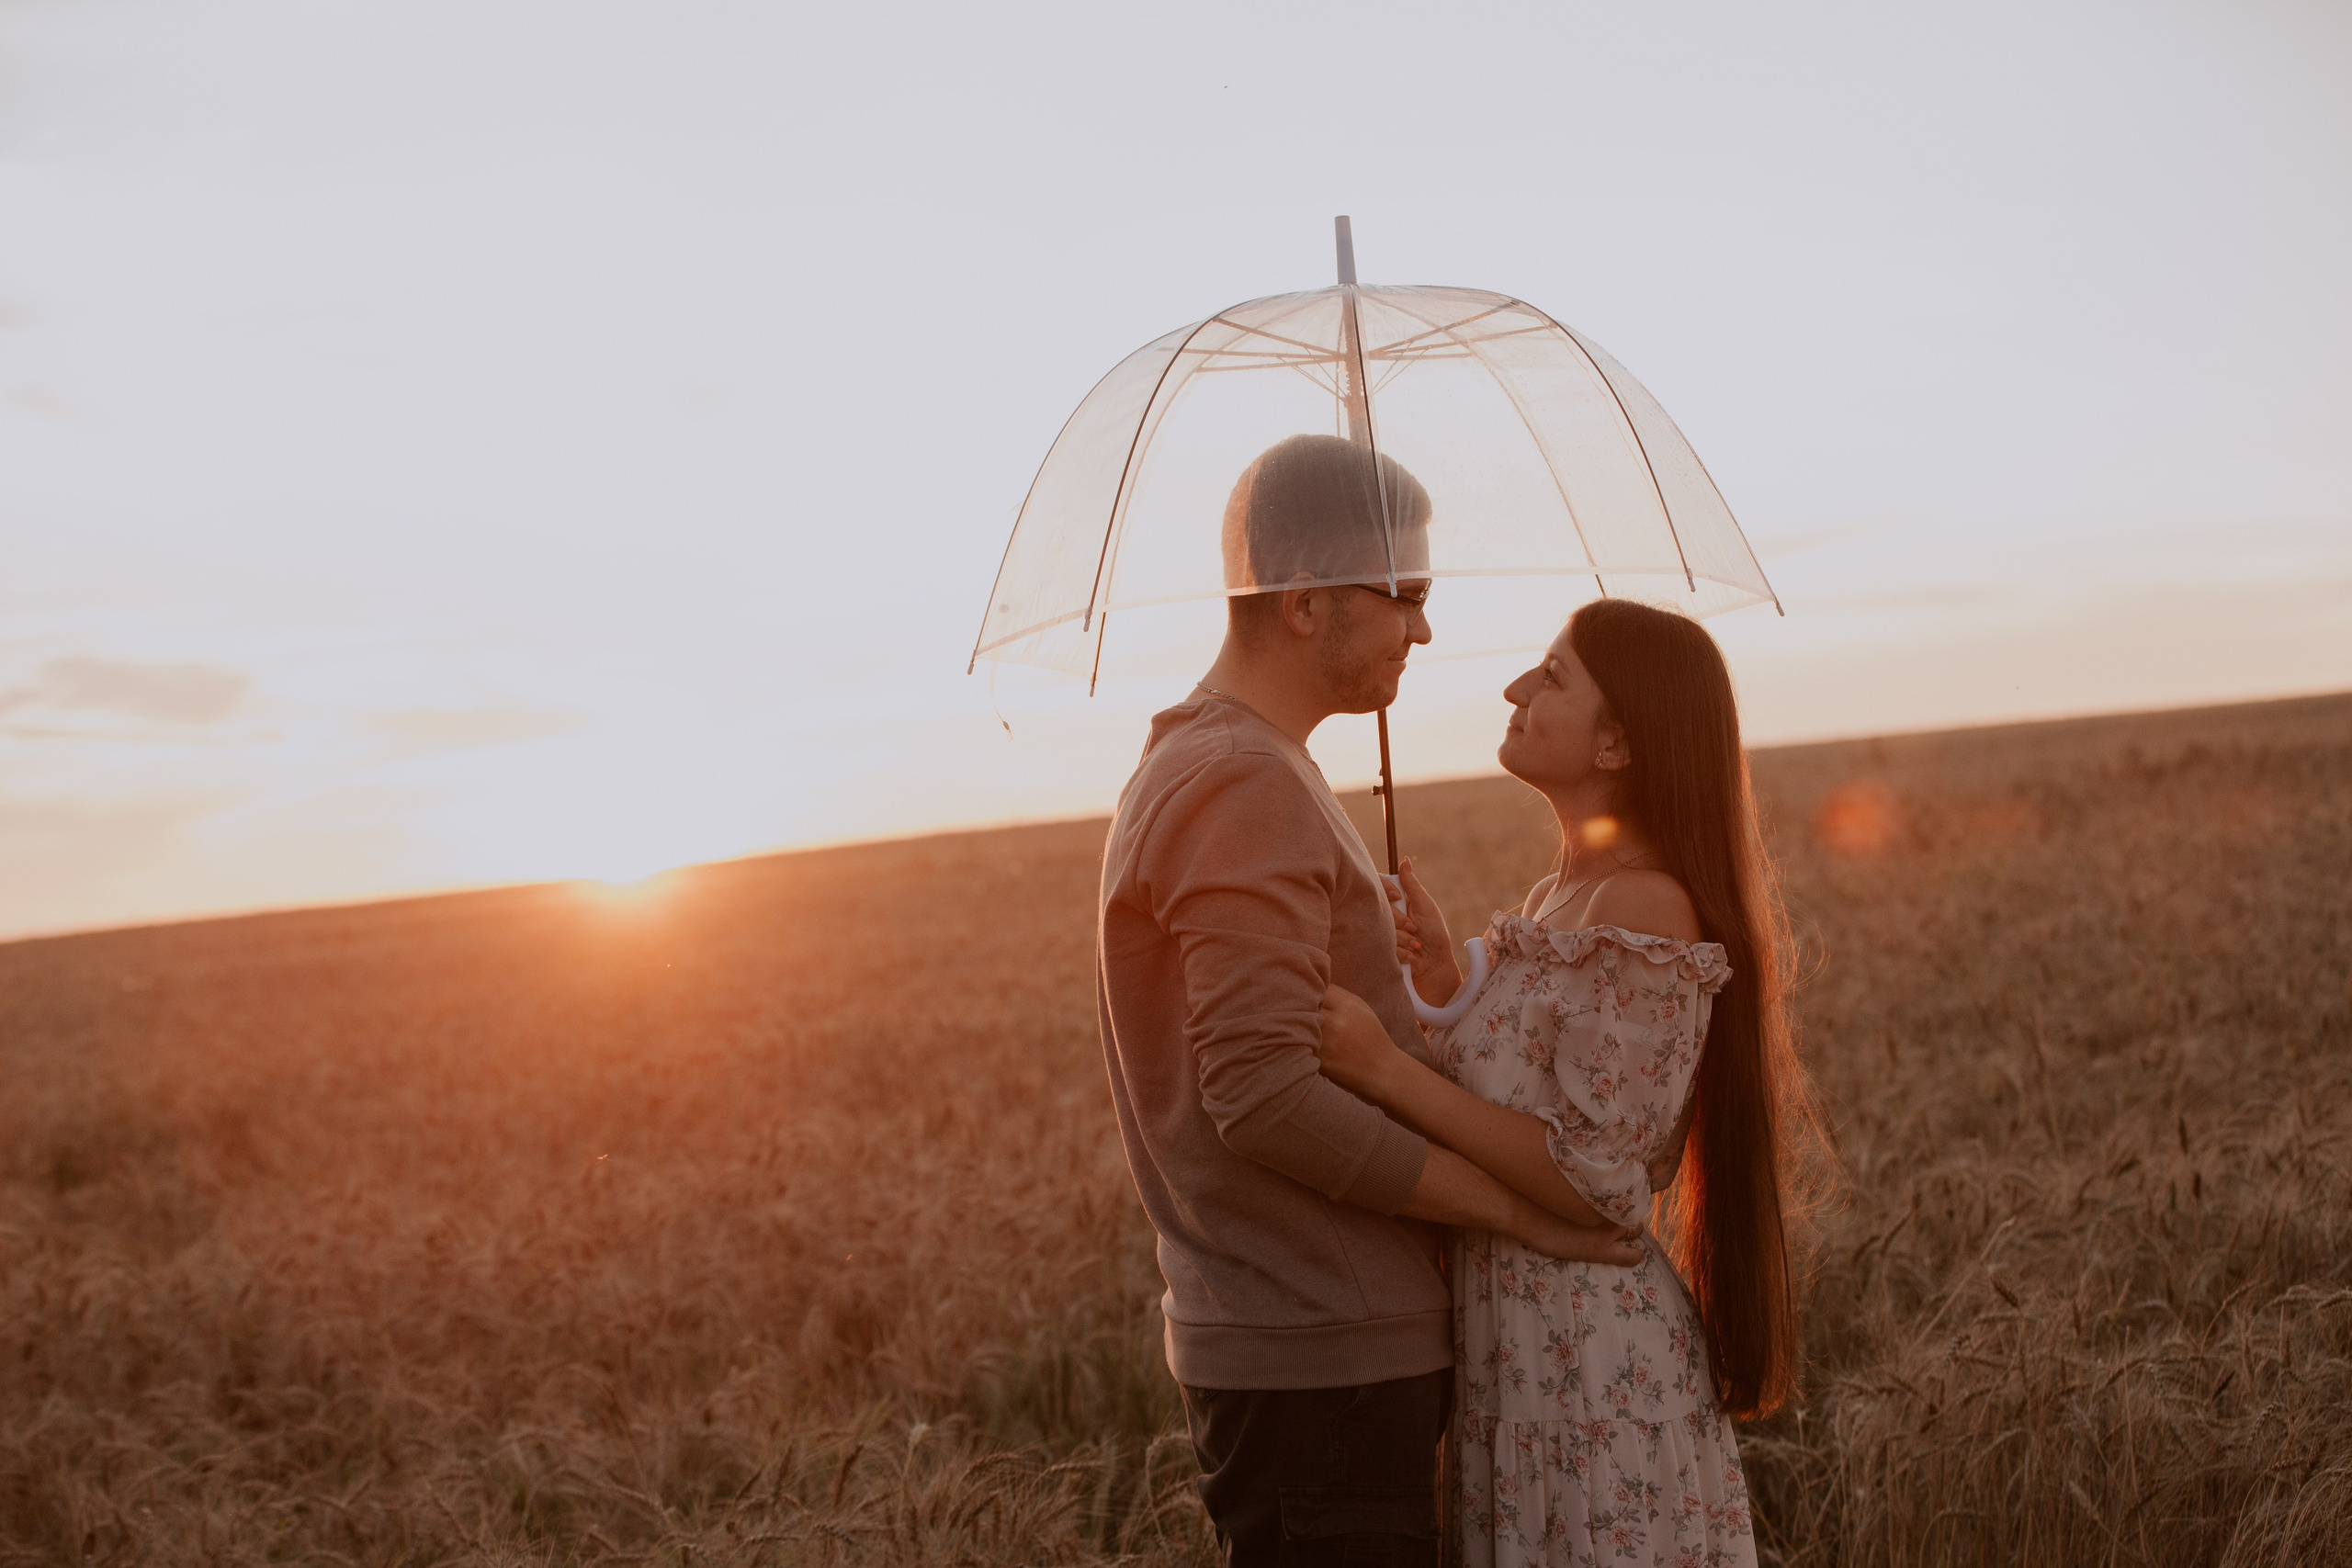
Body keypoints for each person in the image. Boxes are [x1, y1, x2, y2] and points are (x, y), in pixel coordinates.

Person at [1096, 434, 1657, 1567]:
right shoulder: (1241, 777)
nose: (1424, 630)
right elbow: (1260, 1095)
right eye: (1403, 595)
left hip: (1315, 1349)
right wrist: (1514, 1214)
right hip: (1325, 1362)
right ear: (1304, 601)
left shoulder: (1232, 760)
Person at [1315, 596, 1821, 1567]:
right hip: (1524, 1366)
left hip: (1592, 1378)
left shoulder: (1647, 907)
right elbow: (1536, 1093)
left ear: (1618, 745)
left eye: (1550, 677)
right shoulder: (1561, 898)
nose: (1514, 689)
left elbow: (1598, 1177)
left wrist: (1385, 1069)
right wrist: (1443, 988)